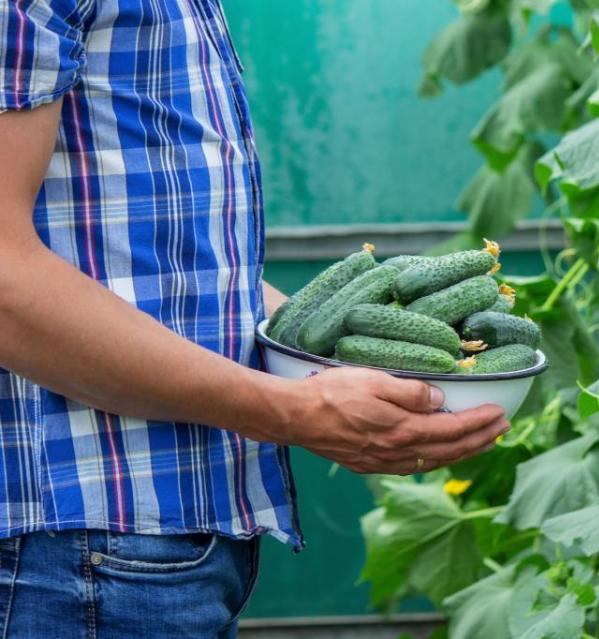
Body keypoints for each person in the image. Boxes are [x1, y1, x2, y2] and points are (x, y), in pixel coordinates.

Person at [0, 1, 508, 636]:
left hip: (160, 539)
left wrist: (350, 355)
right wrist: (295, 412)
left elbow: (179, 270)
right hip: (73, 546)